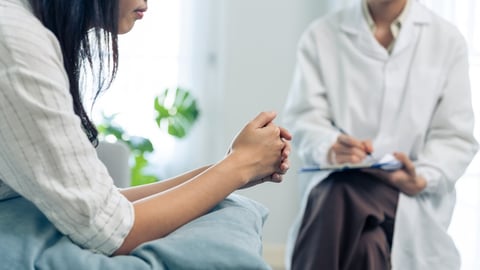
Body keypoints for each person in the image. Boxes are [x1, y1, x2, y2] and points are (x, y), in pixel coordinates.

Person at [0, 0, 292, 257]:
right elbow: (110, 230)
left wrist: (232, 167)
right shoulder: (15, 41)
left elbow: (101, 204)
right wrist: (238, 166)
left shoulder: (27, 31)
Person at [282, 0, 478, 269]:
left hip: (408, 191)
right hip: (343, 174)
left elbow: (455, 136)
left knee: (339, 193)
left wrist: (422, 176)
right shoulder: (321, 35)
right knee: (367, 245)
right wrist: (331, 147)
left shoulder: (446, 40)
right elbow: (304, 119)